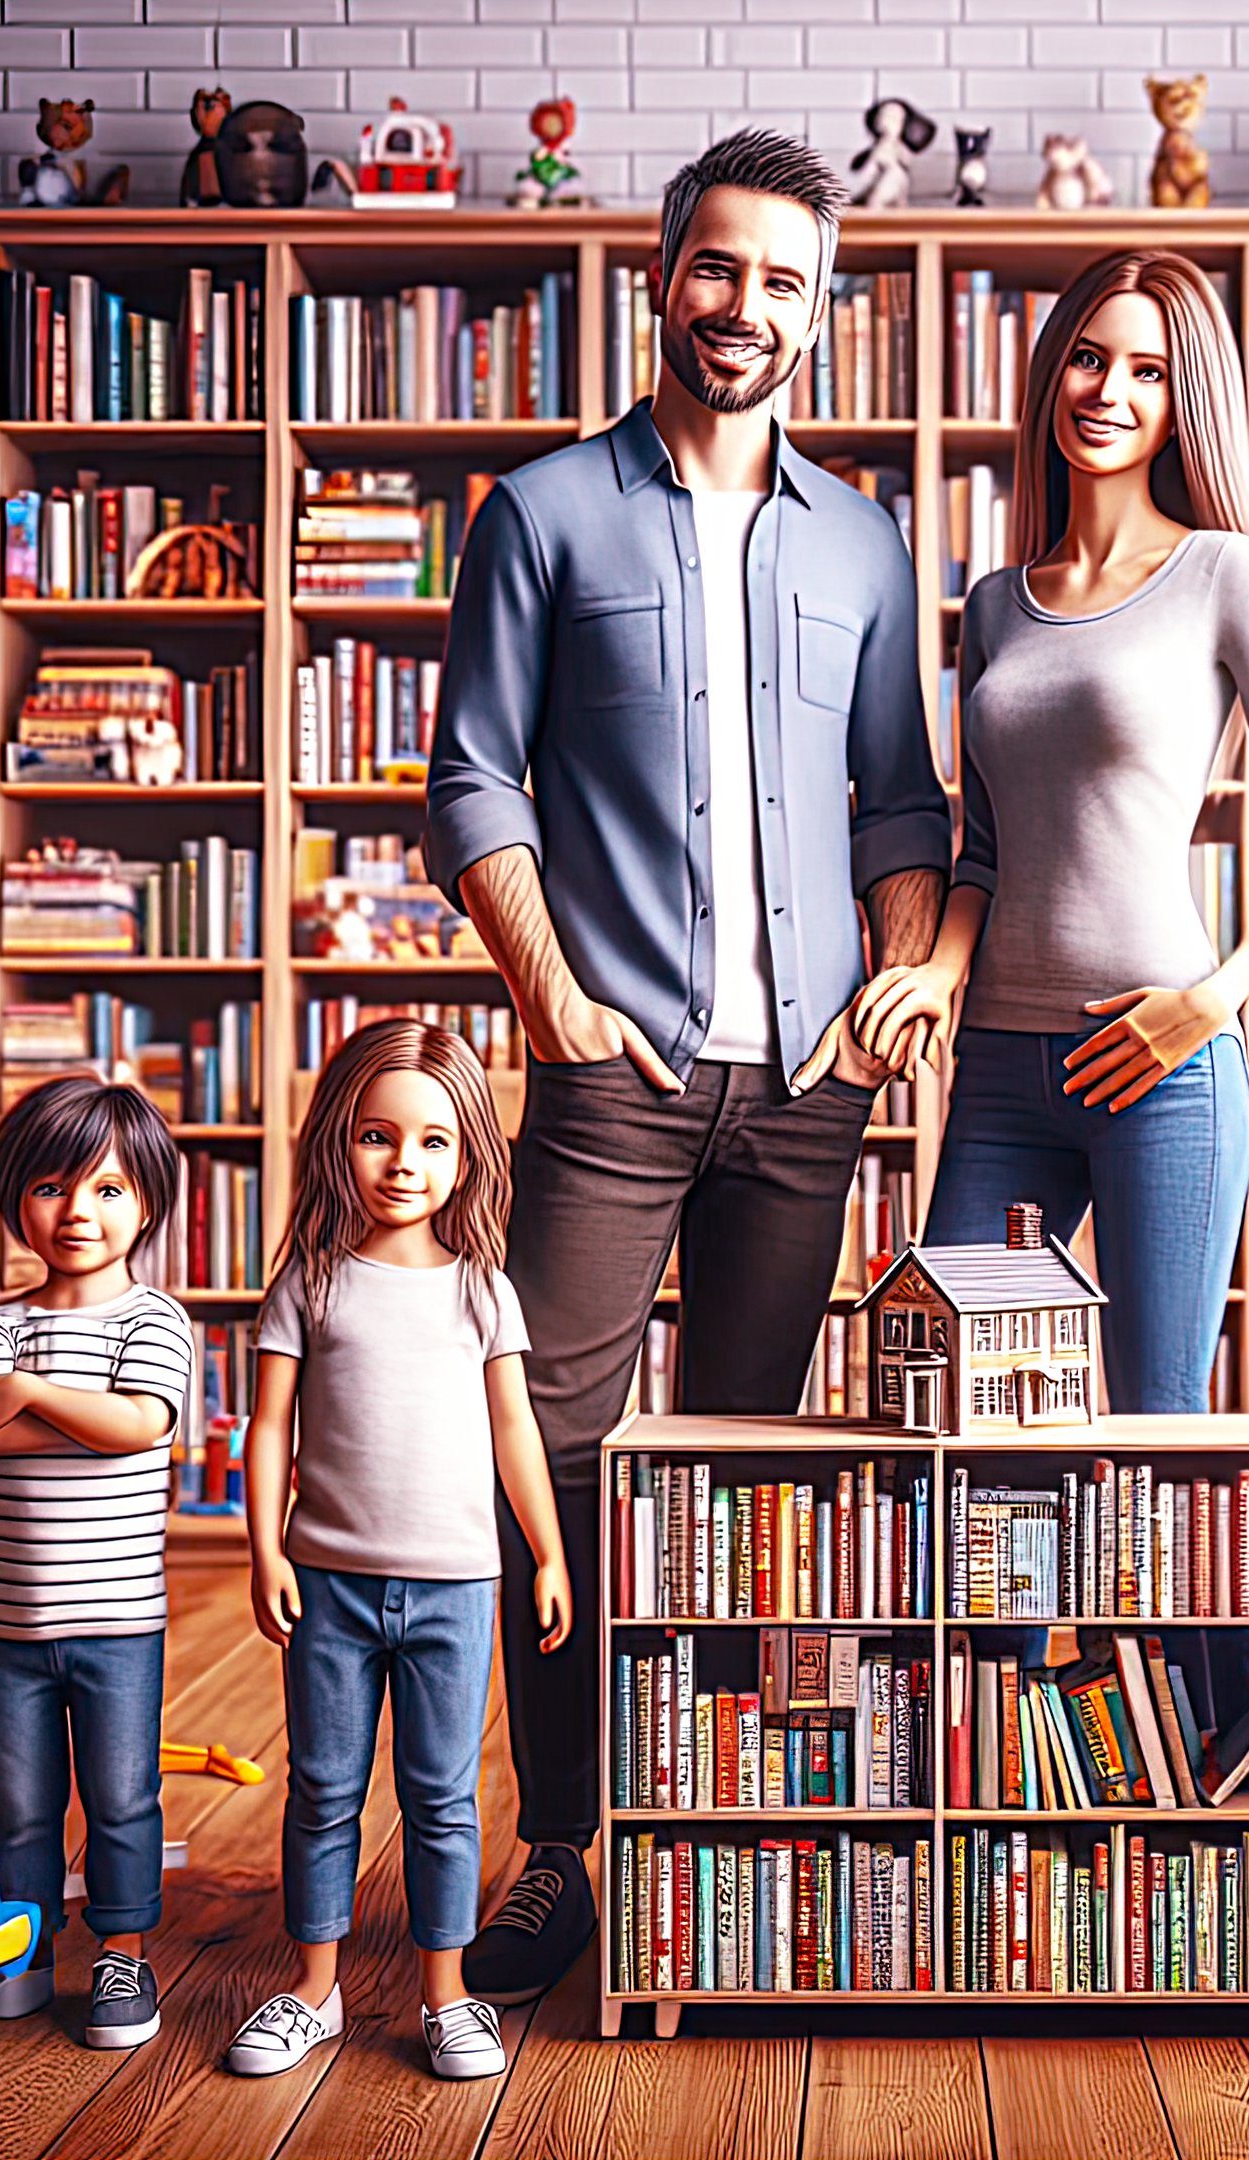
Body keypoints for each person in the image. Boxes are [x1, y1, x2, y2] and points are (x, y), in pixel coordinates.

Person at [426, 128, 950, 2006]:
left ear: (826, 305)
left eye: (786, 277)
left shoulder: (868, 540)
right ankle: (566, 1843)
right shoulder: (544, 514)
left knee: (736, 1467)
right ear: (664, 278)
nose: (747, 306)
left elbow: (902, 799)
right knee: (550, 1456)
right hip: (610, 1076)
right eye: (718, 267)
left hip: (804, 1096)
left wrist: (903, 974)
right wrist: (552, 993)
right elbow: (471, 774)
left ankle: (701, 1827)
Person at [850, 250, 1249, 1727]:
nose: (1110, 390)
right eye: (1088, 358)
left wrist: (1215, 997)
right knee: (955, 1427)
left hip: (1166, 1067)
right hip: (1001, 1076)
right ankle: (989, 1765)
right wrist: (928, 976)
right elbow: (982, 849)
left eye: (1145, 367)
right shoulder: (996, 603)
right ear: (1048, 373)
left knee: (1162, 1434)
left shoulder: (1224, 573)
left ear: (1183, 393)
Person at [224, 1019, 571, 2082]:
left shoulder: (483, 1289)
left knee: (443, 1794)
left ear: (467, 1153)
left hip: (458, 1586)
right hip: (326, 1583)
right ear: (339, 1140)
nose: (404, 1164)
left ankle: (446, 1994)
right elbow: (269, 1426)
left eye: (432, 1142)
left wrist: (546, 1554)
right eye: (378, 1136)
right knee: (323, 1789)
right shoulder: (310, 1284)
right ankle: (314, 1989)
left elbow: (516, 1427)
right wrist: (264, 1549)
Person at [0, 1076, 194, 2050]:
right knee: (19, 1801)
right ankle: (23, 1945)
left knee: (124, 1797)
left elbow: (142, 1427)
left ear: (147, 1202)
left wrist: (30, 1393)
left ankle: (123, 1955)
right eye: (52, 1188)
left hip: (120, 1619)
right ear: (16, 1200)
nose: (77, 1213)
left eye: (106, 1190)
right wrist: (66, 1417)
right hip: (4, 1618)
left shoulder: (154, 1321)